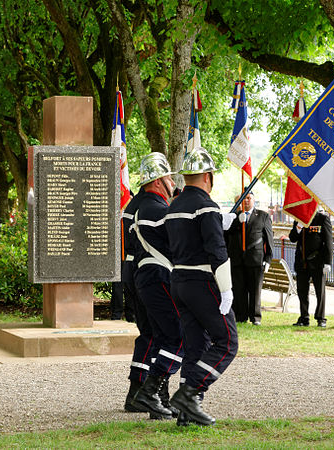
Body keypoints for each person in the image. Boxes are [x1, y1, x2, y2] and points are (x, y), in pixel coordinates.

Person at [165, 147, 238, 426]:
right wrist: (226, 289)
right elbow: (217, 252)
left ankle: (186, 414)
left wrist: (219, 221)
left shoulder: (174, 207)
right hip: (202, 282)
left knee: (196, 346)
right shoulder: (206, 206)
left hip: (179, 282)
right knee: (227, 342)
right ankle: (190, 392)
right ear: (208, 177)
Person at [129, 152, 183, 420]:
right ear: (159, 181)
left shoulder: (147, 207)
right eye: (169, 177)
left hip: (148, 277)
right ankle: (152, 392)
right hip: (158, 276)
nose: (173, 182)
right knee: (179, 335)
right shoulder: (157, 208)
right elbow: (179, 240)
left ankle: (159, 399)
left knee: (163, 338)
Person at [121, 189, 155, 412]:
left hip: (130, 269)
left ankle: (137, 389)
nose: (172, 182)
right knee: (154, 333)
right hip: (143, 271)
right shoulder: (150, 206)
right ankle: (142, 390)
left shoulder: (133, 205)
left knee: (147, 334)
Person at [225, 192, 273, 326]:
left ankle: (255, 317)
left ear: (254, 200)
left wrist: (268, 259)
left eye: (249, 198)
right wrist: (236, 221)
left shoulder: (263, 216)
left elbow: (269, 239)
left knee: (255, 290)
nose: (246, 201)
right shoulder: (232, 215)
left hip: (255, 259)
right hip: (237, 259)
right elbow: (225, 233)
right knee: (238, 289)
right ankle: (240, 316)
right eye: (243, 198)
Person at [289, 209, 333, 327]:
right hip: (302, 262)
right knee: (302, 291)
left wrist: (328, 262)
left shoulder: (322, 219)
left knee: (320, 291)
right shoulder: (299, 219)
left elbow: (328, 242)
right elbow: (292, 238)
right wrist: (298, 228)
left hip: (317, 261)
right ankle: (304, 317)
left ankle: (321, 318)